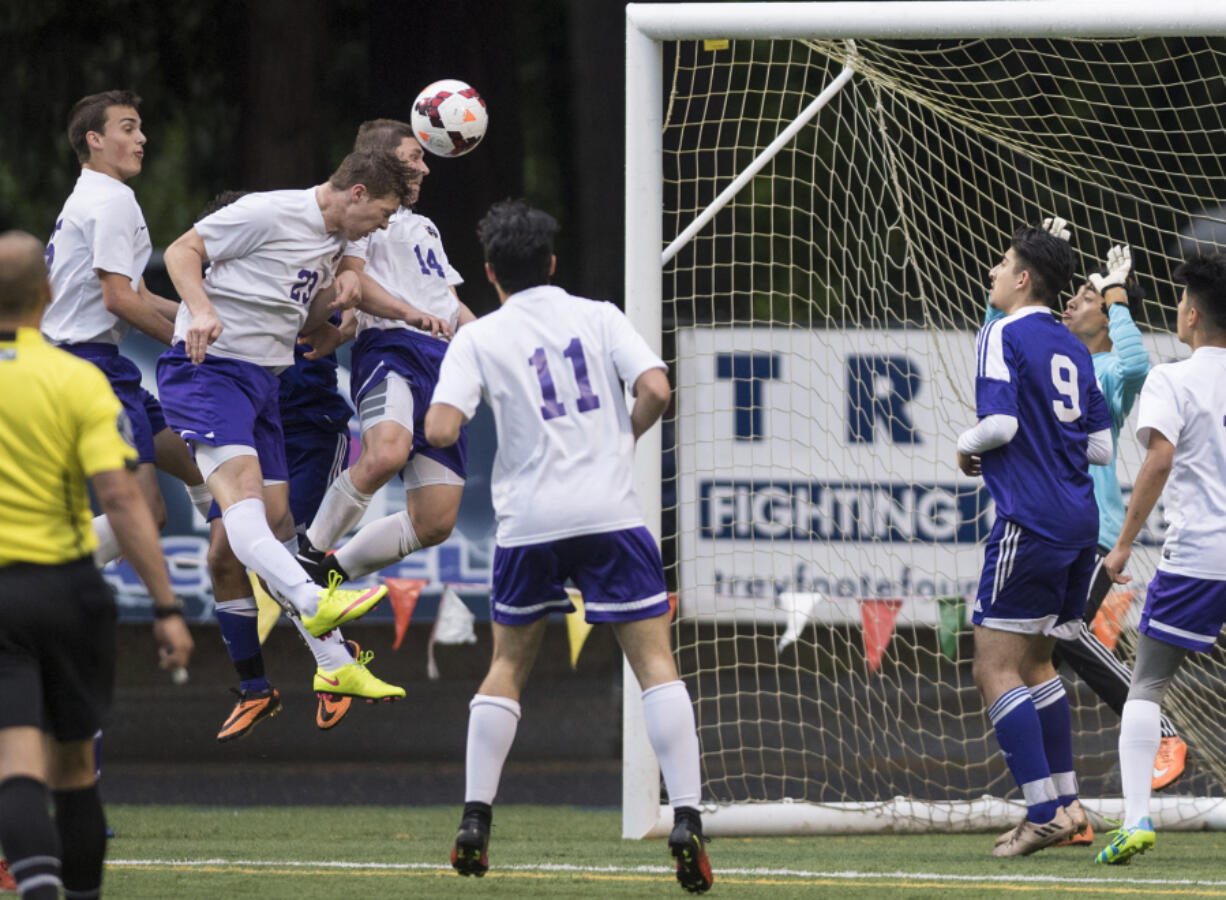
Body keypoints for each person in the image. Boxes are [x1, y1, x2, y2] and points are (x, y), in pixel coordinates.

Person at [425, 200, 712, 893]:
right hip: (609, 514)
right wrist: (625, 436)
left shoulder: (479, 337)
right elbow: (656, 388)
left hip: (528, 523)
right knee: (654, 662)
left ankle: (474, 820)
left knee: (508, 666)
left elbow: (439, 429)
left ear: (490, 273)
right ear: (552, 263)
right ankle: (690, 819)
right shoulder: (600, 315)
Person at [156, 151, 411, 735]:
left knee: (274, 526)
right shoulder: (269, 212)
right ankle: (309, 601)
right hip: (209, 371)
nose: (385, 225)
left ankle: (336, 666)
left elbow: (305, 307)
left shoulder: (336, 238)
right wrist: (198, 309)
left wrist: (338, 306)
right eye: (384, 212)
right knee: (242, 505)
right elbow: (180, 251)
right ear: (357, 193)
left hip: (263, 383)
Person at [0, 231, 193, 900]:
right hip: (66, 589)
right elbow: (120, 498)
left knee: (16, 767)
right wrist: (167, 605)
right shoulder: (77, 379)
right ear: (49, 296)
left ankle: (38, 888)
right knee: (75, 770)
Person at [987, 220, 1187, 820]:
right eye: (1071, 294)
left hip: (1088, 529)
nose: (1075, 302)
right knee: (1039, 657)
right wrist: (1042, 281)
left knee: (1060, 645)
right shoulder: (1053, 353)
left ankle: (1161, 731)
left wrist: (1118, 295)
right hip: (1060, 524)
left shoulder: (1104, 371)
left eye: (1087, 299)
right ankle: (1062, 804)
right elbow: (1001, 334)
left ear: (1105, 319)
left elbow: (1134, 362)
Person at [957, 224, 1113, 857]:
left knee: (993, 666)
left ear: (1024, 279)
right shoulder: (1072, 344)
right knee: (1038, 663)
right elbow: (1101, 446)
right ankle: (1070, 804)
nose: (992, 271)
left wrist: (965, 447)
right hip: (1081, 527)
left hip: (1032, 523)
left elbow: (997, 422)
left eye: (1001, 263)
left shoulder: (1002, 330)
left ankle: (1043, 809)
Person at [297, 118, 473, 588]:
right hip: (393, 351)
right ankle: (306, 556)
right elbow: (351, 282)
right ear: (385, 164)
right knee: (385, 455)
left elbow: (447, 303)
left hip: (445, 365)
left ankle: (328, 576)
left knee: (435, 521)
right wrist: (403, 315)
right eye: (415, 157)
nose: (426, 167)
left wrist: (491, 342)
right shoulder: (361, 217)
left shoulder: (425, 226)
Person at [39, 90, 213, 564]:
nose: (142, 139)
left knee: (198, 466)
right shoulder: (112, 201)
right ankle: (34, 575)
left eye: (140, 128)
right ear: (95, 140)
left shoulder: (95, 195)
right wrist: (189, 342)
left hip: (93, 363)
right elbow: (117, 300)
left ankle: (238, 561)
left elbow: (135, 293)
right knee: (144, 515)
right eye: (128, 128)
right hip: (88, 367)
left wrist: (203, 320)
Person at [1093, 254, 1226, 865]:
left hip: (1199, 555)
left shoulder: (1171, 380)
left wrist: (1121, 545)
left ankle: (1137, 820)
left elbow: (1159, 460)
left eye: (1178, 303)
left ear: (1192, 314)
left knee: (1147, 682)